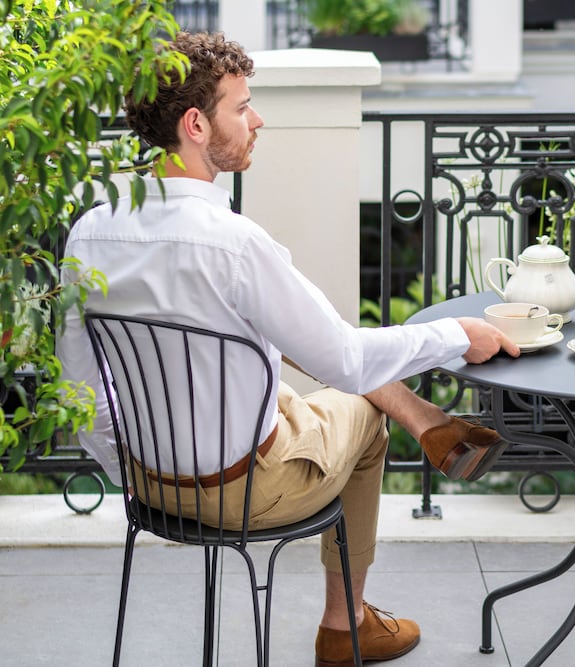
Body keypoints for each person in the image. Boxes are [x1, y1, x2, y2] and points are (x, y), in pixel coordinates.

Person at [57, 31, 520, 666]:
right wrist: (459, 334)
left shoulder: (90, 232)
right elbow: (345, 361)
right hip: (243, 490)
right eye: (242, 107)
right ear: (196, 125)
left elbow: (79, 389)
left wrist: (130, 470)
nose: (257, 120)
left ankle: (430, 423)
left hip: (148, 485)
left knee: (289, 344)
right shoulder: (234, 244)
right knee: (361, 410)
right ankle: (346, 624)